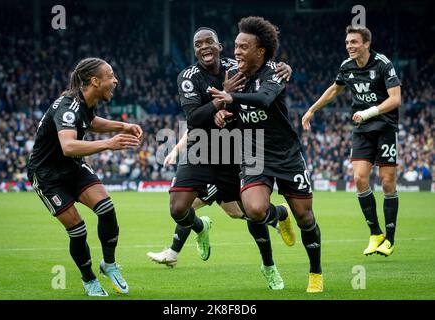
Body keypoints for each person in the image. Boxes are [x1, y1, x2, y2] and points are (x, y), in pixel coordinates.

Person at [166, 27, 295, 289]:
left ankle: (269, 265)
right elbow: (193, 119)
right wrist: (217, 103)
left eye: (209, 42)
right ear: (194, 50)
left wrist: (285, 69)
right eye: (198, 44)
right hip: (202, 150)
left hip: (237, 149)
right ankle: (201, 228)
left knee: (250, 213)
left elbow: (263, 78)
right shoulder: (188, 77)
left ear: (219, 45)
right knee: (178, 209)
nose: (204, 47)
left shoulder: (237, 66)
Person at [210, 16, 323, 293]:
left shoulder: (275, 72)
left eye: (243, 47)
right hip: (254, 153)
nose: (236, 52)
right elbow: (237, 111)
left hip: (286, 154)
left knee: (306, 217)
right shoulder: (232, 75)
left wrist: (230, 99)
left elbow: (262, 100)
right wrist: (224, 114)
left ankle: (316, 272)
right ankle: (274, 231)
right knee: (255, 210)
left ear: (260, 51)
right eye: (235, 46)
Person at [27, 58, 143, 297]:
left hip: (72, 168)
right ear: (95, 81)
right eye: (111, 76)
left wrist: (122, 126)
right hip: (48, 176)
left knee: (106, 208)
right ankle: (89, 279)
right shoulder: (68, 106)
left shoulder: (85, 102)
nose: (116, 81)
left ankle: (109, 264)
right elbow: (68, 145)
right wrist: (109, 144)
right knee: (78, 229)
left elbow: (91, 123)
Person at [302, 25, 401, 257]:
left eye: (354, 42)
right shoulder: (346, 66)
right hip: (362, 128)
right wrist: (312, 109)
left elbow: (395, 99)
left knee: (387, 182)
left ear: (366, 43)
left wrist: (369, 112)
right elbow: (334, 90)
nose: (350, 46)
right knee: (358, 178)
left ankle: (390, 239)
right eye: (347, 43)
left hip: (385, 127)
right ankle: (375, 233)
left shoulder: (384, 64)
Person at [147, 130, 295, 267]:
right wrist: (176, 149)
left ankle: (176, 250)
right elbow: (192, 126)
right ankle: (279, 214)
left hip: (226, 168)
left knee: (190, 206)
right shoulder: (207, 108)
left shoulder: (231, 106)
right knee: (234, 213)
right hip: (207, 165)